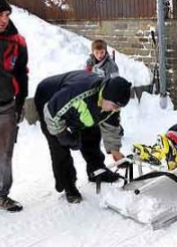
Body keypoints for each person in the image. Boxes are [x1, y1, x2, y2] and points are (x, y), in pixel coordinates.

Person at [34, 71, 131, 203]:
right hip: (50, 100)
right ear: (105, 96)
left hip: (75, 106)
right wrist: (62, 135)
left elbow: (111, 125)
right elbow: (51, 113)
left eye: (118, 108)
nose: (115, 110)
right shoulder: (79, 93)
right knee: (59, 146)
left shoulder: (111, 100)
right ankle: (68, 184)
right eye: (114, 106)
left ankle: (96, 170)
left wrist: (115, 150)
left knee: (91, 132)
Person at [0, 0, 29, 212]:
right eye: (0, 15)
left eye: (6, 15)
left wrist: (19, 106)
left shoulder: (17, 41)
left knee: (5, 155)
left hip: (6, 108)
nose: (4, 19)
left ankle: (2, 194)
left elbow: (22, 74)